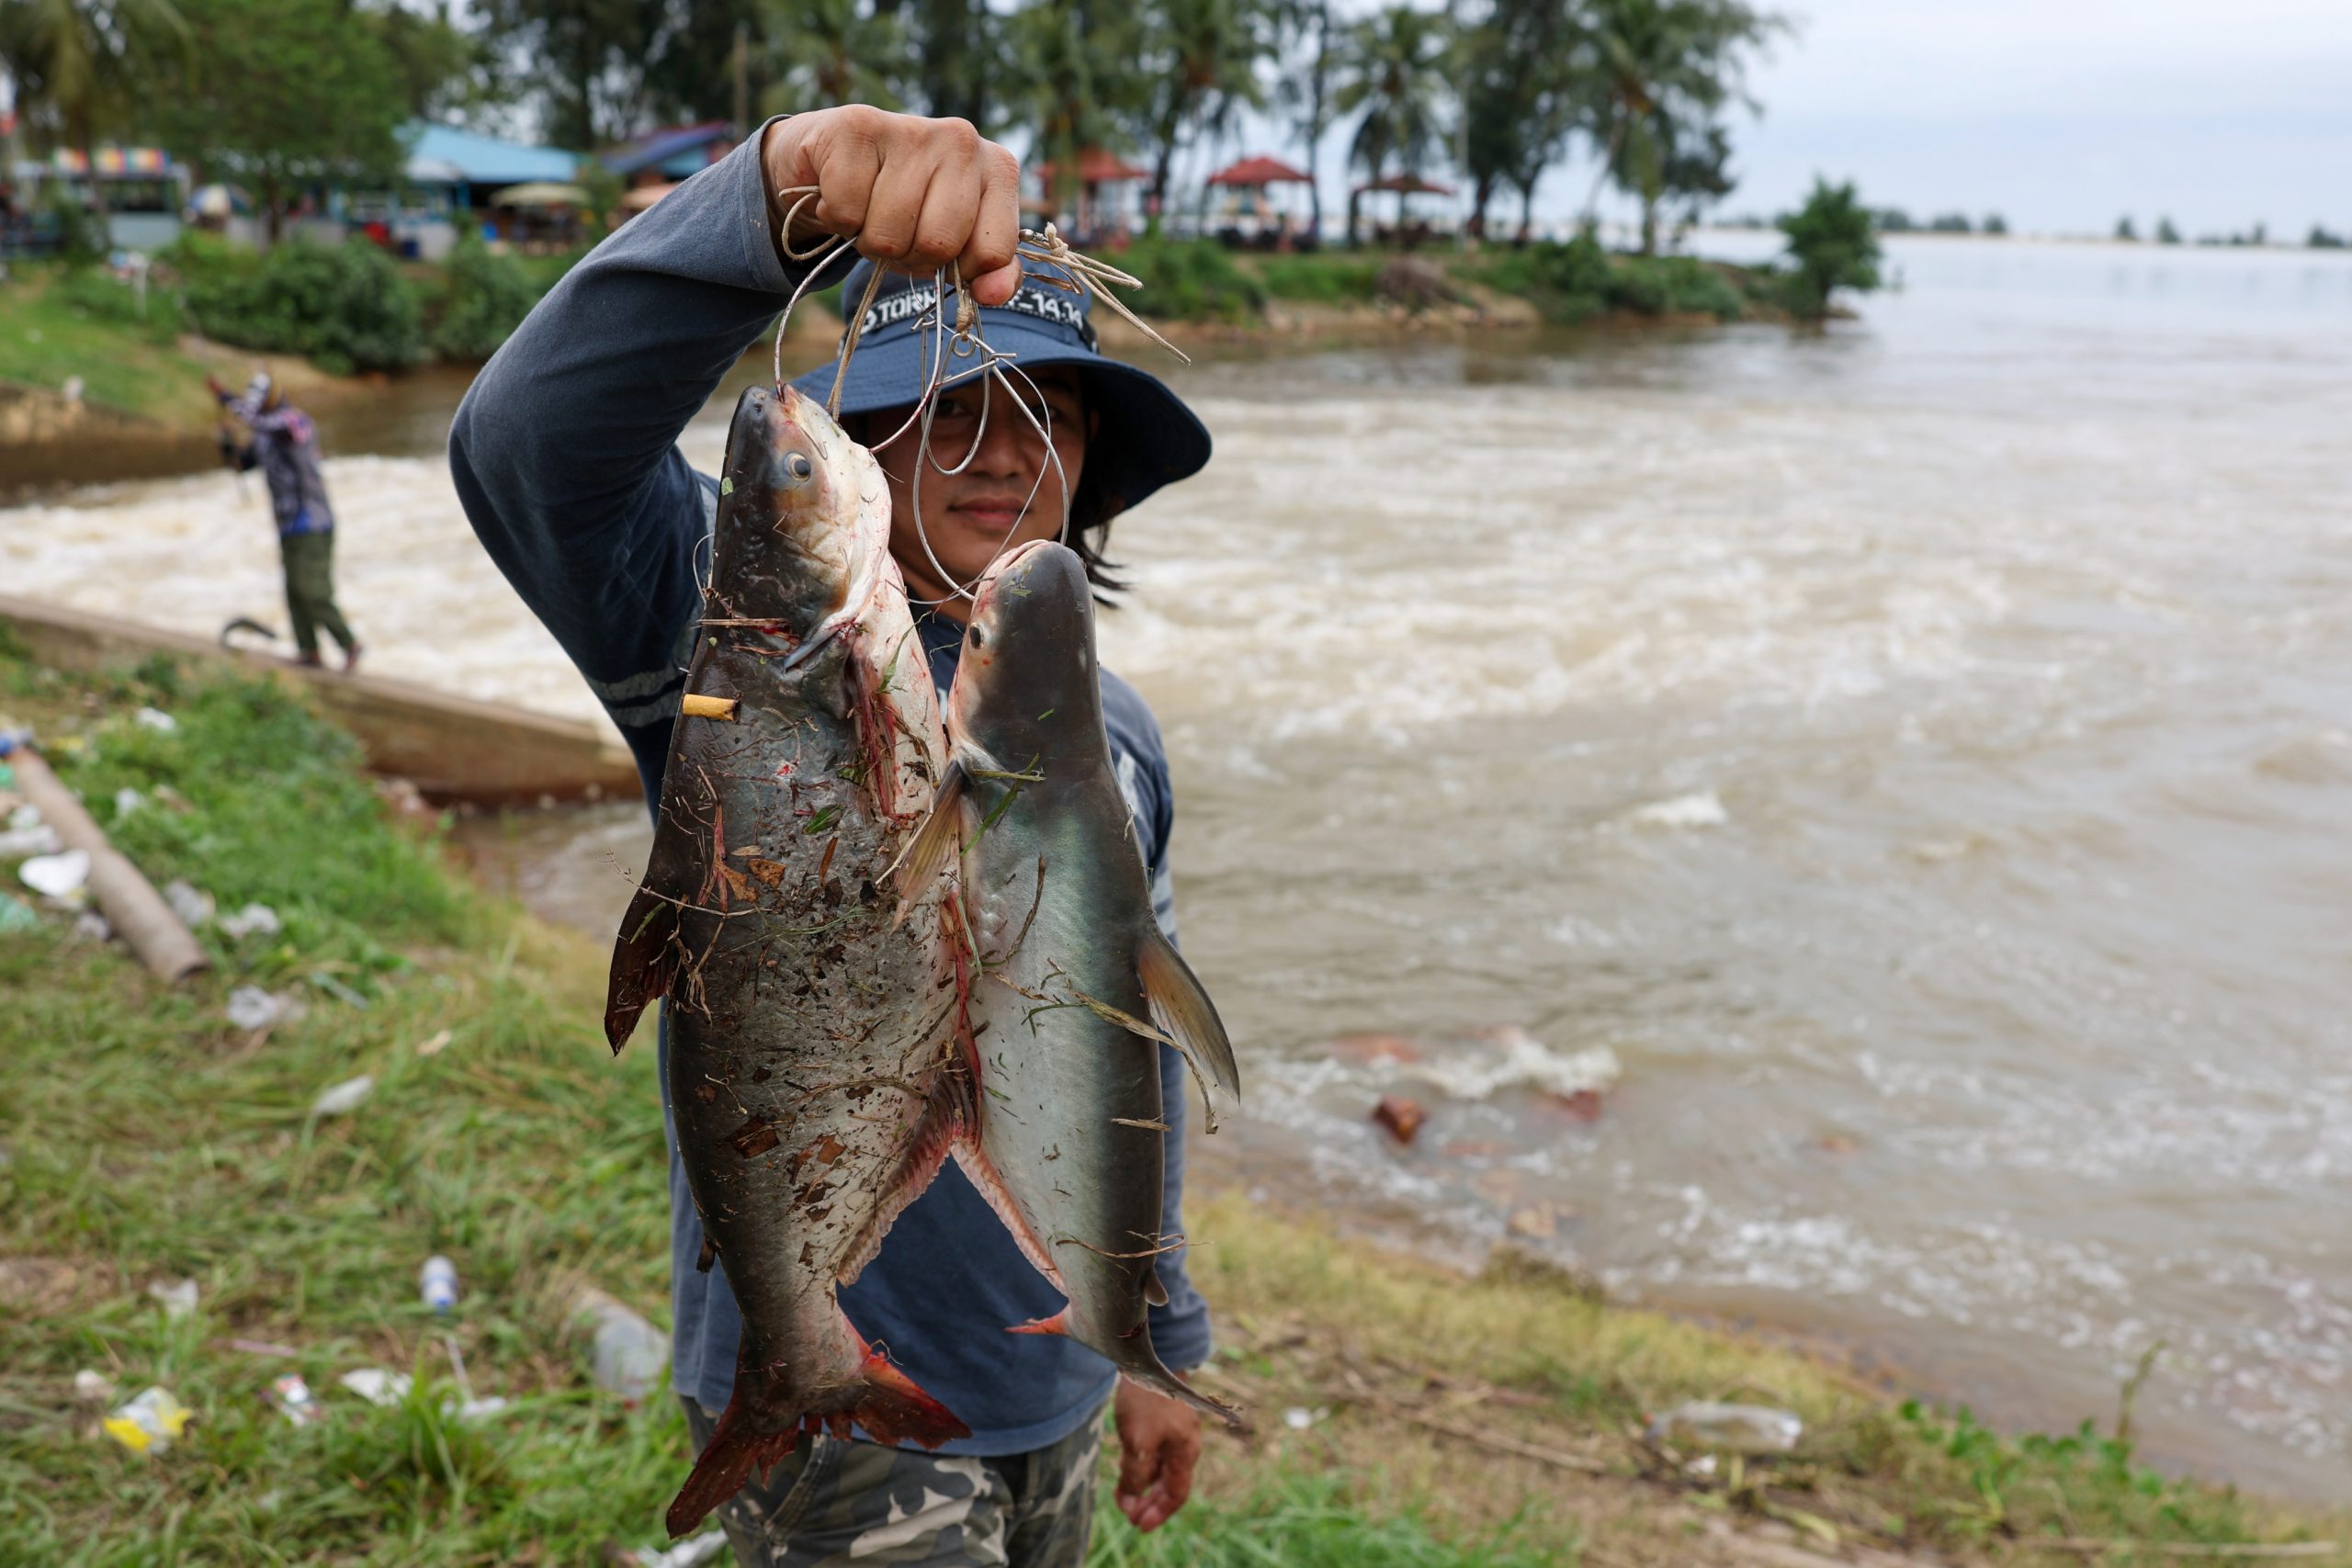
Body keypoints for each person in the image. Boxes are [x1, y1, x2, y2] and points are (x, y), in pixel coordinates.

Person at [449, 107, 1217, 1566]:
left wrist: (1149, 1320)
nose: (1003, 451)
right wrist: (776, 195)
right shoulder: (738, 629)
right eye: (950, 403)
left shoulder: (1108, 725)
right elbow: (528, 441)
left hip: (1051, 1361)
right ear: (857, 434)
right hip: (838, 1405)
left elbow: (1131, 1038)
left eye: (1050, 413)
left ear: (1093, 465)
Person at [209, 370, 361, 671]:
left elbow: (261, 423)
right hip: (287, 522)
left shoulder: (293, 422)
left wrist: (225, 396)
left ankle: (349, 645)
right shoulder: (262, 436)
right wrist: (227, 444)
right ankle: (309, 651)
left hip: (313, 521)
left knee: (313, 590)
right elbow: (241, 464)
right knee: (293, 590)